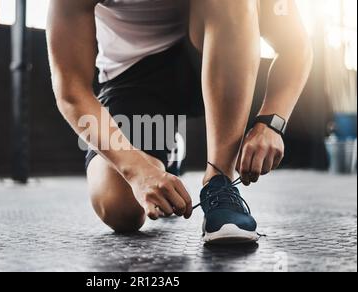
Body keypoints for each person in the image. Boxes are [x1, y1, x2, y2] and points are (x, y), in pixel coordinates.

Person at [46, 0, 313, 244]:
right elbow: (71, 92)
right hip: (133, 78)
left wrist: (271, 122)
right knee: (120, 209)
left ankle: (219, 182)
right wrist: (138, 170)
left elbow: (295, 45)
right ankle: (168, 149)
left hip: (218, 55)